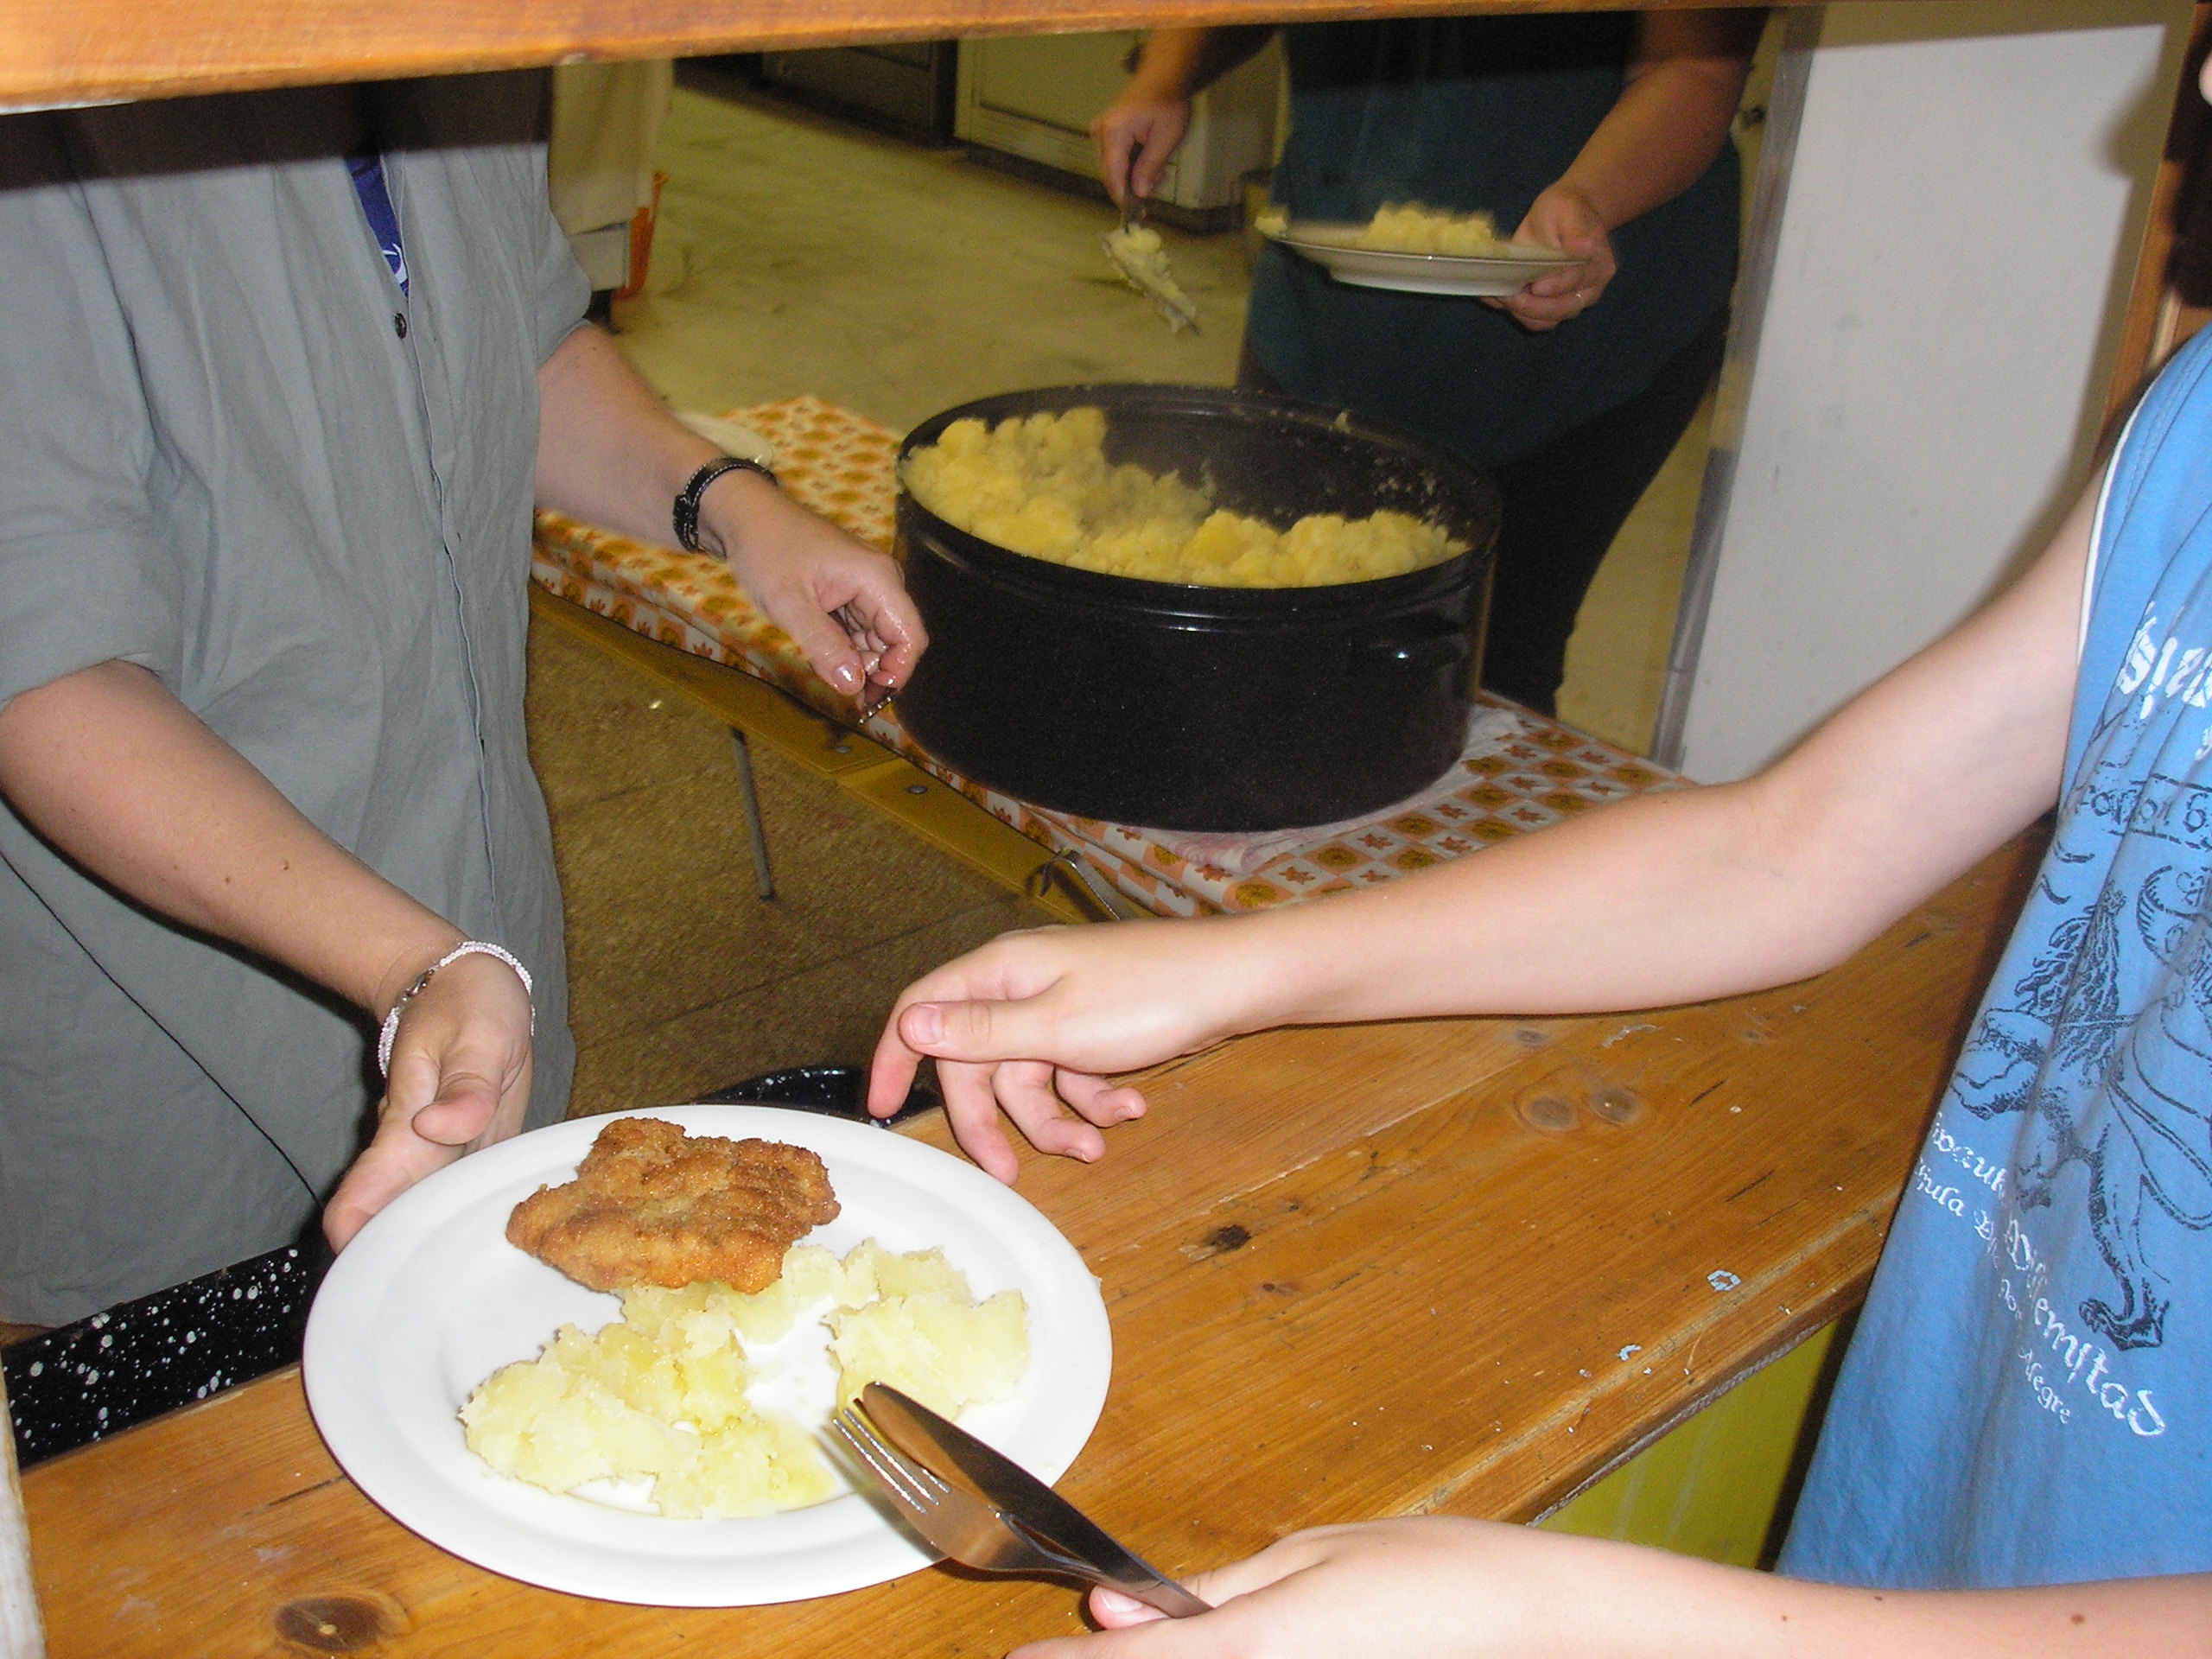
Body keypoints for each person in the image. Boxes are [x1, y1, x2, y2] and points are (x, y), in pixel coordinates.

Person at [871, 97, 2212, 1651]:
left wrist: (1552, 1615)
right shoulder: (2190, 433)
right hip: (1955, 1520)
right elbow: (1794, 849)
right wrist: (1225, 970)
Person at [0, 74, 922, 1326]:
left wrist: (733, 506)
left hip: (469, 940)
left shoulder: (466, 49)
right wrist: (407, 963)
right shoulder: (48, 96)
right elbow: (49, 672)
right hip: (164, 1027)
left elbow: (515, 343)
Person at [1092, 14, 1762, 715]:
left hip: (1576, 323)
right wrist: (1164, 78)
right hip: (1324, 286)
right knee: (1264, 629)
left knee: (1478, 674)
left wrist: (1589, 199)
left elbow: (1694, 65)